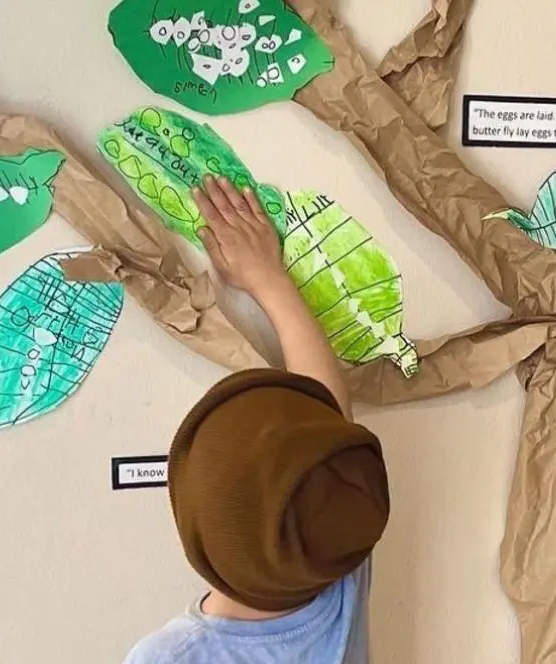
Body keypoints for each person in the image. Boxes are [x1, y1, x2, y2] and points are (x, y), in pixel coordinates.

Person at [122, 176, 390, 664]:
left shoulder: (174, 657)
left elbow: (324, 432)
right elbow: (326, 440)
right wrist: (269, 280)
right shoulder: (334, 554)